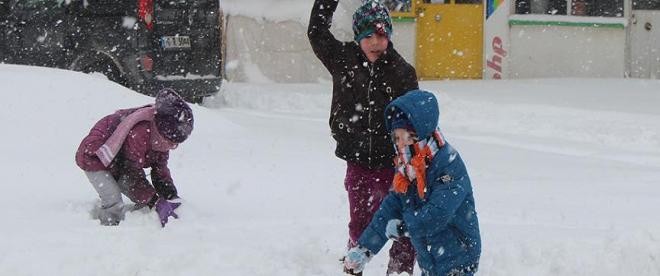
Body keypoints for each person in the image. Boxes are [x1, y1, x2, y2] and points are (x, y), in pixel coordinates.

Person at [308, 0, 419, 274]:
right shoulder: (342, 59)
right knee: (361, 219)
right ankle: (354, 263)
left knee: (402, 221)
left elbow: (411, 121)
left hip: (393, 162)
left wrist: (408, 160)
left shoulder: (401, 72)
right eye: (368, 35)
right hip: (356, 158)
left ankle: (400, 269)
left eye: (381, 35)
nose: (375, 43)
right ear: (357, 37)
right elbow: (316, 32)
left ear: (388, 36)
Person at [343, 90, 481, 276]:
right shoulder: (408, 168)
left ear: (422, 133)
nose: (401, 144)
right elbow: (390, 209)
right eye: (397, 138)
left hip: (458, 258)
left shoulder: (448, 164)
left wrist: (403, 227)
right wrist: (364, 249)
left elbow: (438, 214)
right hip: (430, 260)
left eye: (407, 137)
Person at [75, 88, 193, 227]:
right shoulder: (140, 133)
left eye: (177, 143)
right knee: (113, 200)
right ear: (162, 132)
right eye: (172, 141)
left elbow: (160, 169)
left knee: (143, 198)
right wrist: (154, 200)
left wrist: (170, 195)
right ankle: (107, 230)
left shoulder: (161, 139)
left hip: (119, 162)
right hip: (95, 157)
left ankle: (139, 220)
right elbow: (130, 175)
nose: (173, 146)